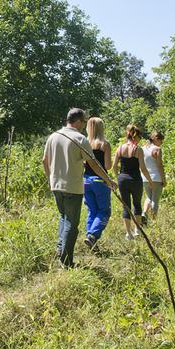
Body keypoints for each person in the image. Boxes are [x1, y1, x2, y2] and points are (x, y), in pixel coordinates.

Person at [43, 108, 117, 268]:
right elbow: (95, 165)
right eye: (84, 122)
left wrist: (50, 180)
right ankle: (67, 262)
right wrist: (109, 180)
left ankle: (60, 249)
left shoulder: (53, 136)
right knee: (71, 223)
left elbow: (45, 160)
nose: (84, 125)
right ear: (77, 121)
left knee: (63, 217)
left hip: (56, 186)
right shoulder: (79, 139)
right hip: (72, 187)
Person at [112, 123, 153, 239]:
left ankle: (128, 233)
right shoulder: (138, 150)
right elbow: (143, 168)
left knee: (126, 206)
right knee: (137, 204)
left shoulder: (120, 148)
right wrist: (150, 180)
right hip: (135, 179)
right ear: (136, 137)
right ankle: (137, 231)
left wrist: (118, 177)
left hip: (123, 179)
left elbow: (114, 166)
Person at [82, 117, 114, 250]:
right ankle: (93, 236)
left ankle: (91, 240)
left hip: (85, 181)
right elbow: (108, 165)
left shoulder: (84, 144)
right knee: (104, 211)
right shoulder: (104, 144)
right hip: (99, 181)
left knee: (92, 210)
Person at [142, 131, 167, 221]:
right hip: (156, 177)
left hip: (145, 178)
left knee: (148, 197)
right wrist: (164, 179)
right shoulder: (157, 149)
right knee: (155, 200)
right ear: (156, 139)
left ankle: (144, 213)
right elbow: (159, 165)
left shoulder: (143, 148)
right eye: (161, 141)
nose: (161, 143)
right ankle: (154, 221)